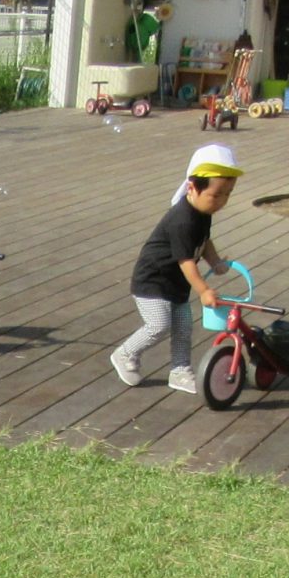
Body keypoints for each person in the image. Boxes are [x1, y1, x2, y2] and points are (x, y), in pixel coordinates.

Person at [109, 143, 243, 394]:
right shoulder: (182, 219)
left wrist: (215, 261)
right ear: (193, 187)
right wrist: (204, 290)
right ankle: (125, 353)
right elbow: (186, 261)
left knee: (183, 326)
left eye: (228, 194)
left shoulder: (202, 212)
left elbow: (203, 242)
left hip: (176, 285)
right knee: (159, 324)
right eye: (217, 195)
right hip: (152, 282)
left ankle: (180, 371)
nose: (222, 201)